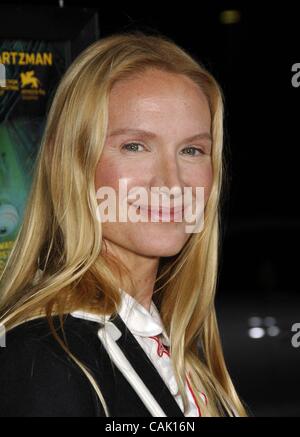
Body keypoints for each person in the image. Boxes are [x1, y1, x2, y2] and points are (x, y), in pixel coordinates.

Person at [0, 31, 249, 417]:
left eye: (192, 150)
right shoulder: (45, 358)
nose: (172, 182)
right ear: (72, 162)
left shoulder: (168, 336)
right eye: (135, 146)